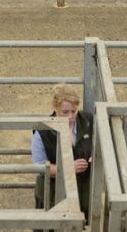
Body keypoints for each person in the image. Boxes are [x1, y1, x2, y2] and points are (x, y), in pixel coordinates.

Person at [31, 83, 94, 226]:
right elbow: (39, 167)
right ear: (55, 108)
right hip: (52, 197)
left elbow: (100, 145)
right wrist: (68, 168)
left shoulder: (89, 122)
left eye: (74, 111)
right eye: (65, 112)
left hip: (83, 194)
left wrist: (95, 157)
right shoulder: (42, 131)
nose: (70, 116)